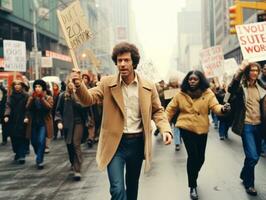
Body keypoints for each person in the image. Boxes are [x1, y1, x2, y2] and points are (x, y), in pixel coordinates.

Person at [72, 42, 172, 200]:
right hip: (115, 145)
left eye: (126, 60)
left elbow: (158, 111)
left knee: (132, 188)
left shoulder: (148, 85)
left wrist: (165, 130)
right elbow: (88, 99)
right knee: (117, 189)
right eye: (119, 61)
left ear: (134, 62)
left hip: (137, 143)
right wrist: (79, 85)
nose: (123, 64)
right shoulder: (107, 83)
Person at [166, 70, 230, 200]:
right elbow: (170, 109)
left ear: (200, 80)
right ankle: (192, 186)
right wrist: (164, 126)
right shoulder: (180, 94)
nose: (192, 81)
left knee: (201, 158)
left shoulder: (207, 93)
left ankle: (193, 175)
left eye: (195, 79)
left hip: (201, 129)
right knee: (193, 156)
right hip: (186, 127)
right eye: (190, 79)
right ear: (187, 81)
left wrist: (223, 109)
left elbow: (215, 106)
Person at [228, 60, 266, 196]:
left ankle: (244, 174)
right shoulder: (241, 87)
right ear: (247, 72)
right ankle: (249, 184)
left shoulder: (262, 87)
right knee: (253, 156)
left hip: (260, 126)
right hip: (247, 126)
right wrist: (239, 70)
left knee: (253, 157)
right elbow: (231, 88)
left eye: (257, 70)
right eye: (252, 70)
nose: (254, 73)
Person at [55, 77, 87, 181]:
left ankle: (77, 170)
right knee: (69, 145)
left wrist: (75, 96)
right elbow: (58, 110)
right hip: (67, 124)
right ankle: (73, 163)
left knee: (75, 143)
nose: (71, 85)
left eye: (73, 83)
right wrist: (59, 121)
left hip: (79, 123)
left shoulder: (80, 95)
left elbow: (84, 107)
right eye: (70, 82)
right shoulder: (62, 96)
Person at [25, 79, 53, 169]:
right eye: (36, 87)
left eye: (39, 86)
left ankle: (39, 160)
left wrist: (41, 99)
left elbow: (49, 108)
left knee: (41, 141)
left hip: (43, 123)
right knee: (33, 142)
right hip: (33, 123)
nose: (37, 88)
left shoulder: (48, 97)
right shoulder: (31, 97)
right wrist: (32, 99)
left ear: (43, 88)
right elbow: (27, 107)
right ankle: (39, 154)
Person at [4, 80, 29, 164]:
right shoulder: (10, 96)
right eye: (15, 84)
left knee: (22, 137)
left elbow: (28, 108)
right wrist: (7, 115)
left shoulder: (26, 95)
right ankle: (17, 153)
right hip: (13, 119)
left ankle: (22, 155)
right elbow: (8, 106)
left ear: (21, 86)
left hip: (22, 119)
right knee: (14, 138)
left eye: (19, 84)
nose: (17, 86)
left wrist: (26, 117)